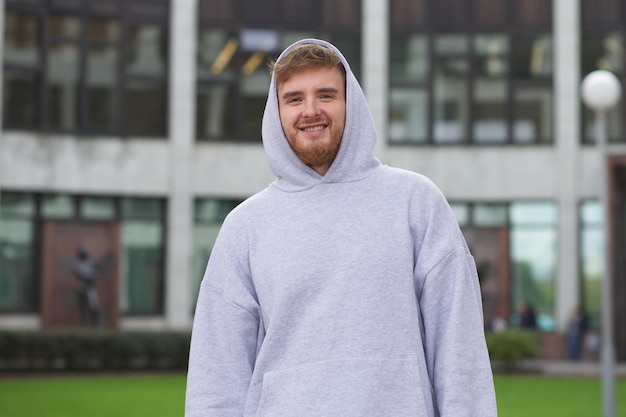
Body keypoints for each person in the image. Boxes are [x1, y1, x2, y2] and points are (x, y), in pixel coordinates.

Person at [185, 39, 497, 417]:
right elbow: (216, 376)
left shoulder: (416, 203)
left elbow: (459, 352)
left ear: (352, 104)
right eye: (295, 99)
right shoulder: (245, 227)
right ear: (277, 111)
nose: (310, 111)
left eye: (326, 95)